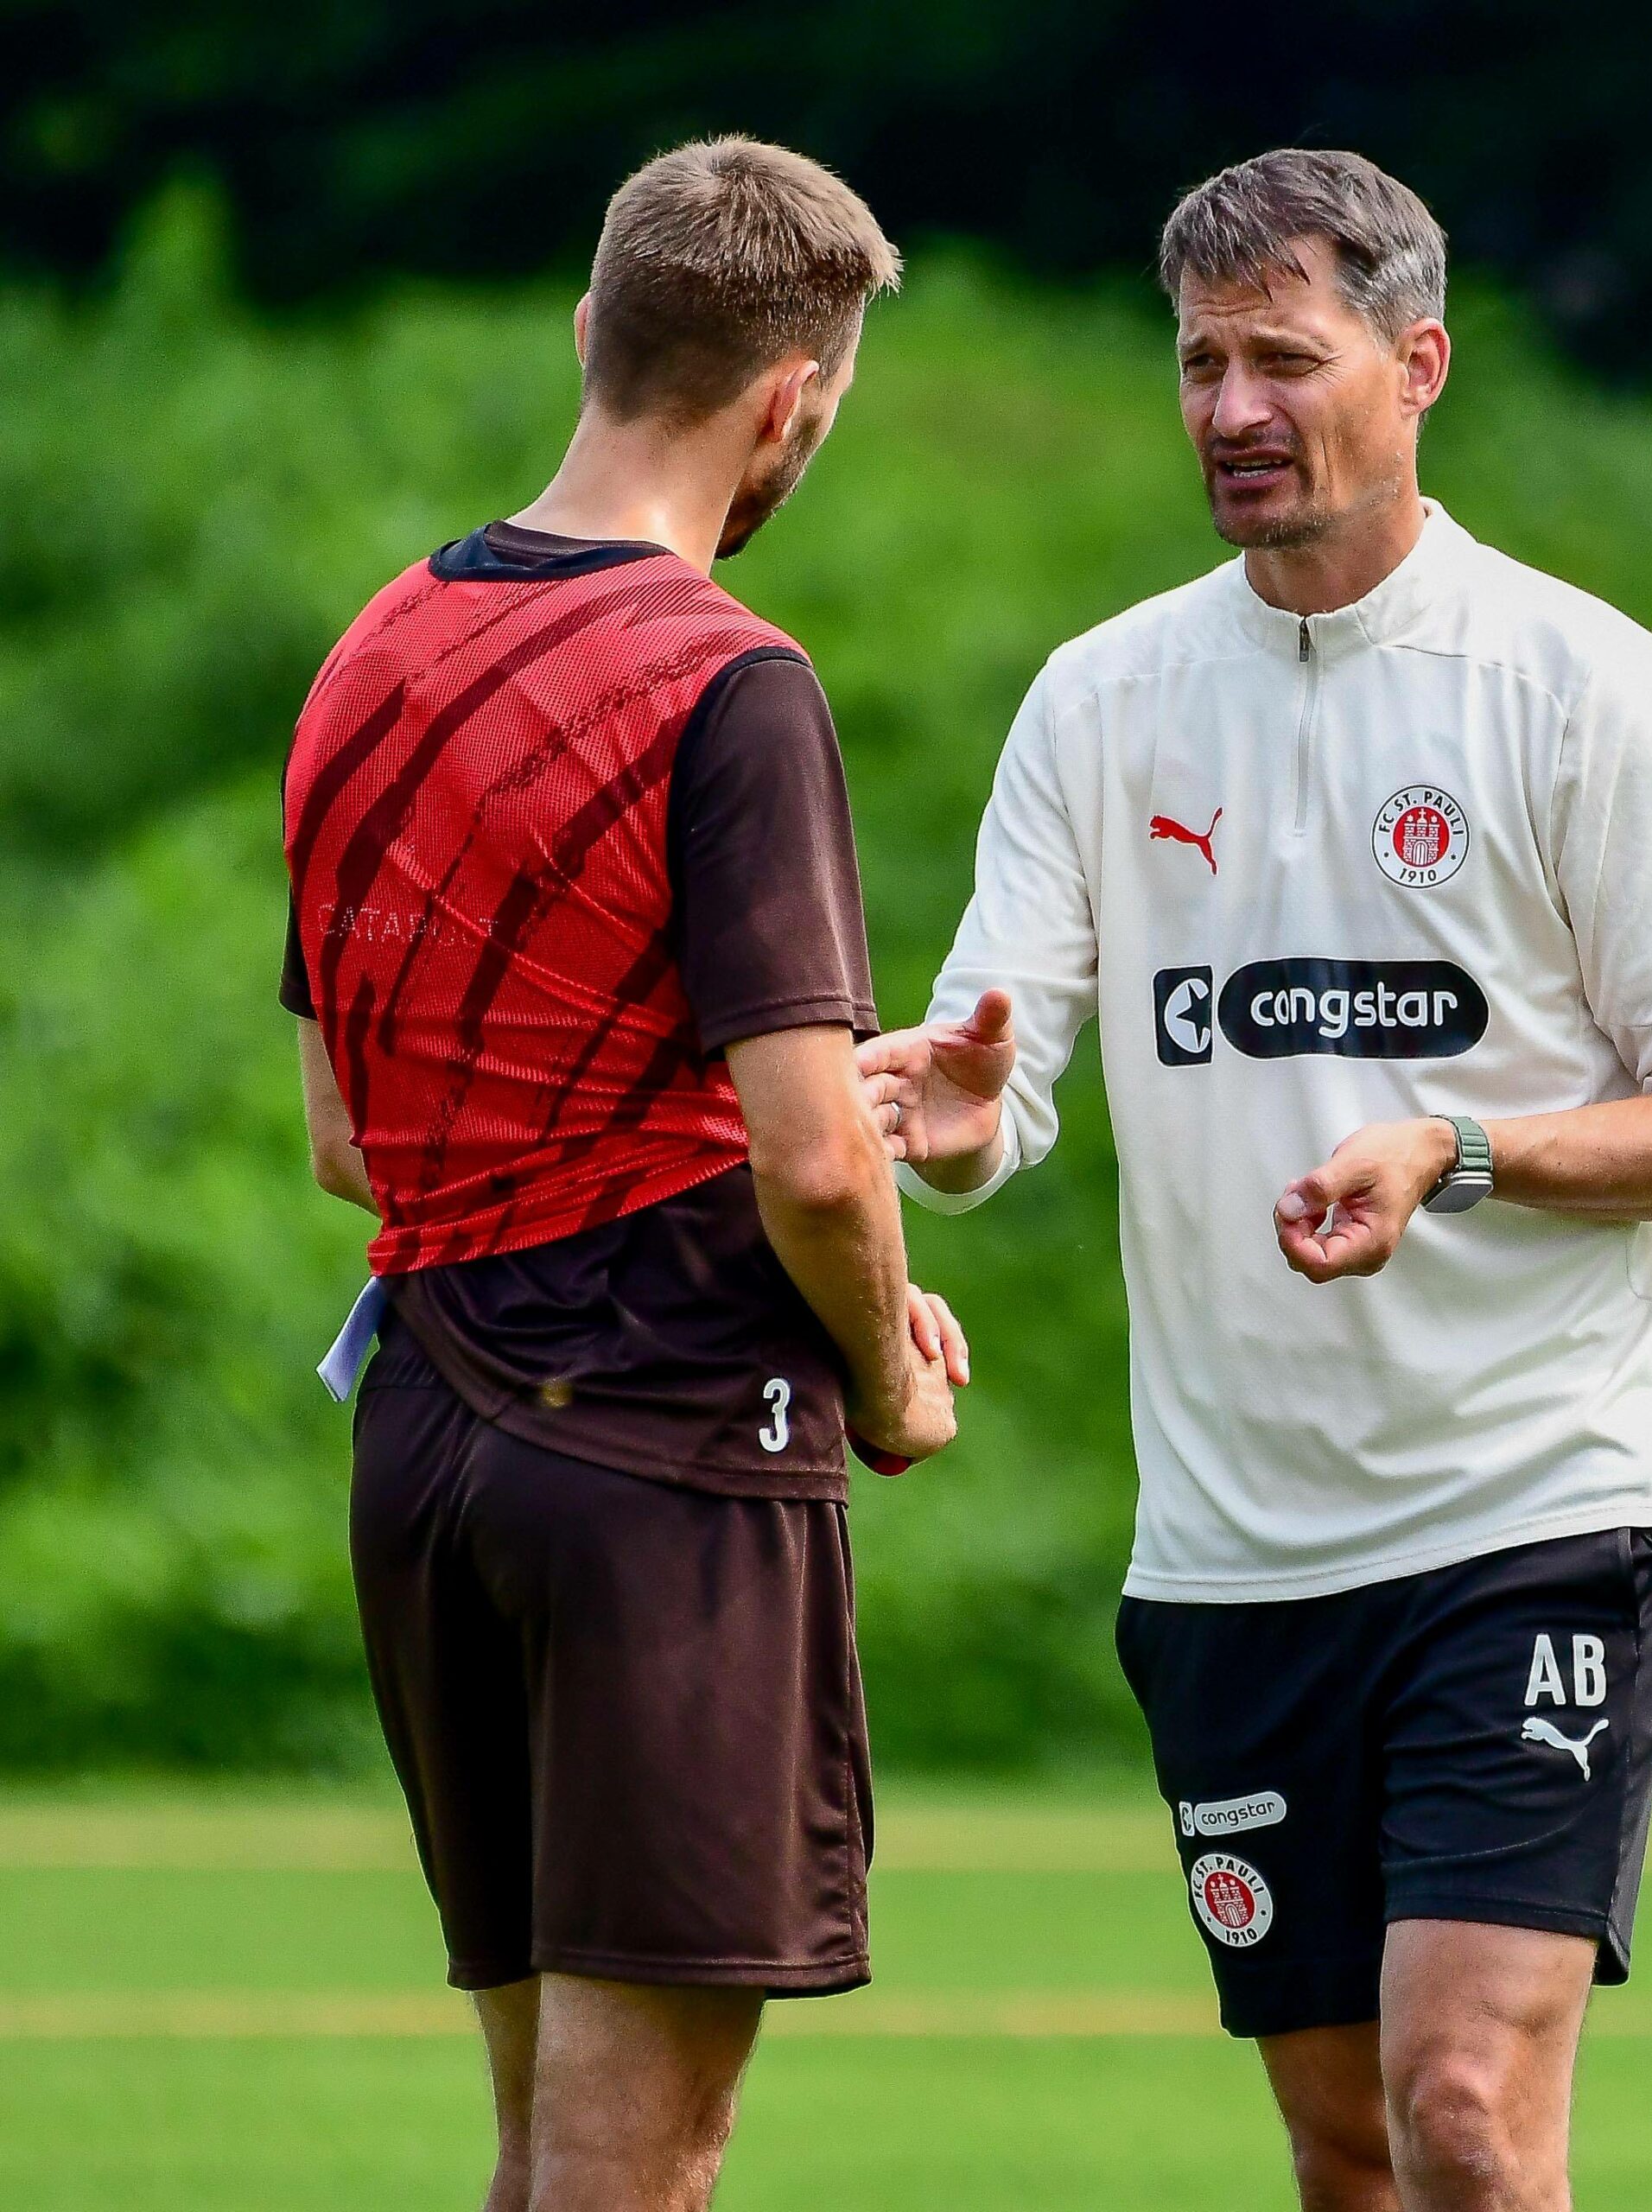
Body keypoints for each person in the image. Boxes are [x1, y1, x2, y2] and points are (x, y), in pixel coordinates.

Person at [863, 149, 1652, 2211]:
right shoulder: (1101, 697)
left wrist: (1457, 1147)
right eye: (1196, 361)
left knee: (1461, 2110)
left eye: (1279, 357)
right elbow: (991, 1069)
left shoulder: (1575, 684)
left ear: (1417, 363)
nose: (1226, 408)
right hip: (1233, 1549)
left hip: (1535, 1503)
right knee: (1345, 2147)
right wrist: (942, 1122)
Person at [281, 137, 960, 2212]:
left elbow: (349, 1134)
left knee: (541, 2148)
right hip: (662, 1447)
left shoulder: (371, 652)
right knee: (638, 2160)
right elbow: (810, 1168)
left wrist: (829, 1094)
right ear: (794, 399)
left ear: (591, 333)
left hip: (426, 1440)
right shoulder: (728, 680)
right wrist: (888, 1371)